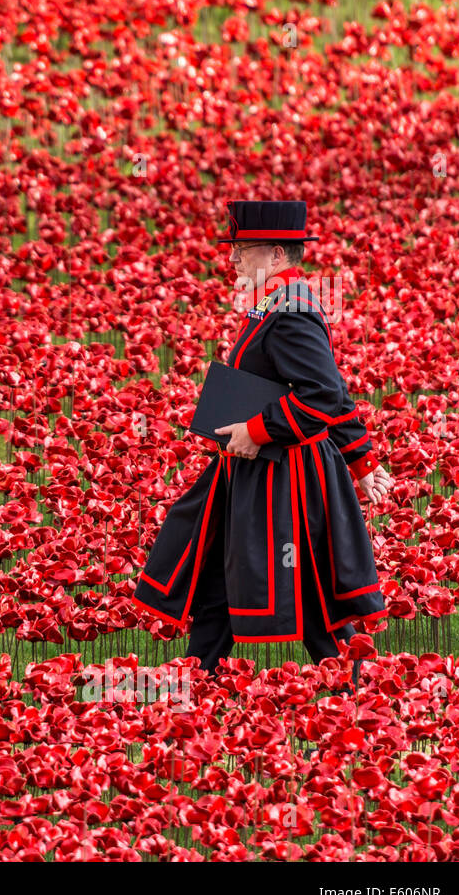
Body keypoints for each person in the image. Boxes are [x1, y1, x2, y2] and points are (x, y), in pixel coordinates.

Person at [131, 200, 394, 693]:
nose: (231, 260)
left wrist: (256, 430)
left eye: (241, 250)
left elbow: (321, 395)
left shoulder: (291, 310)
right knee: (220, 578)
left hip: (287, 480)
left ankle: (357, 695)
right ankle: (194, 687)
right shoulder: (274, 302)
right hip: (258, 476)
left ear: (275, 254)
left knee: (312, 594)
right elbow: (327, 393)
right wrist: (362, 460)